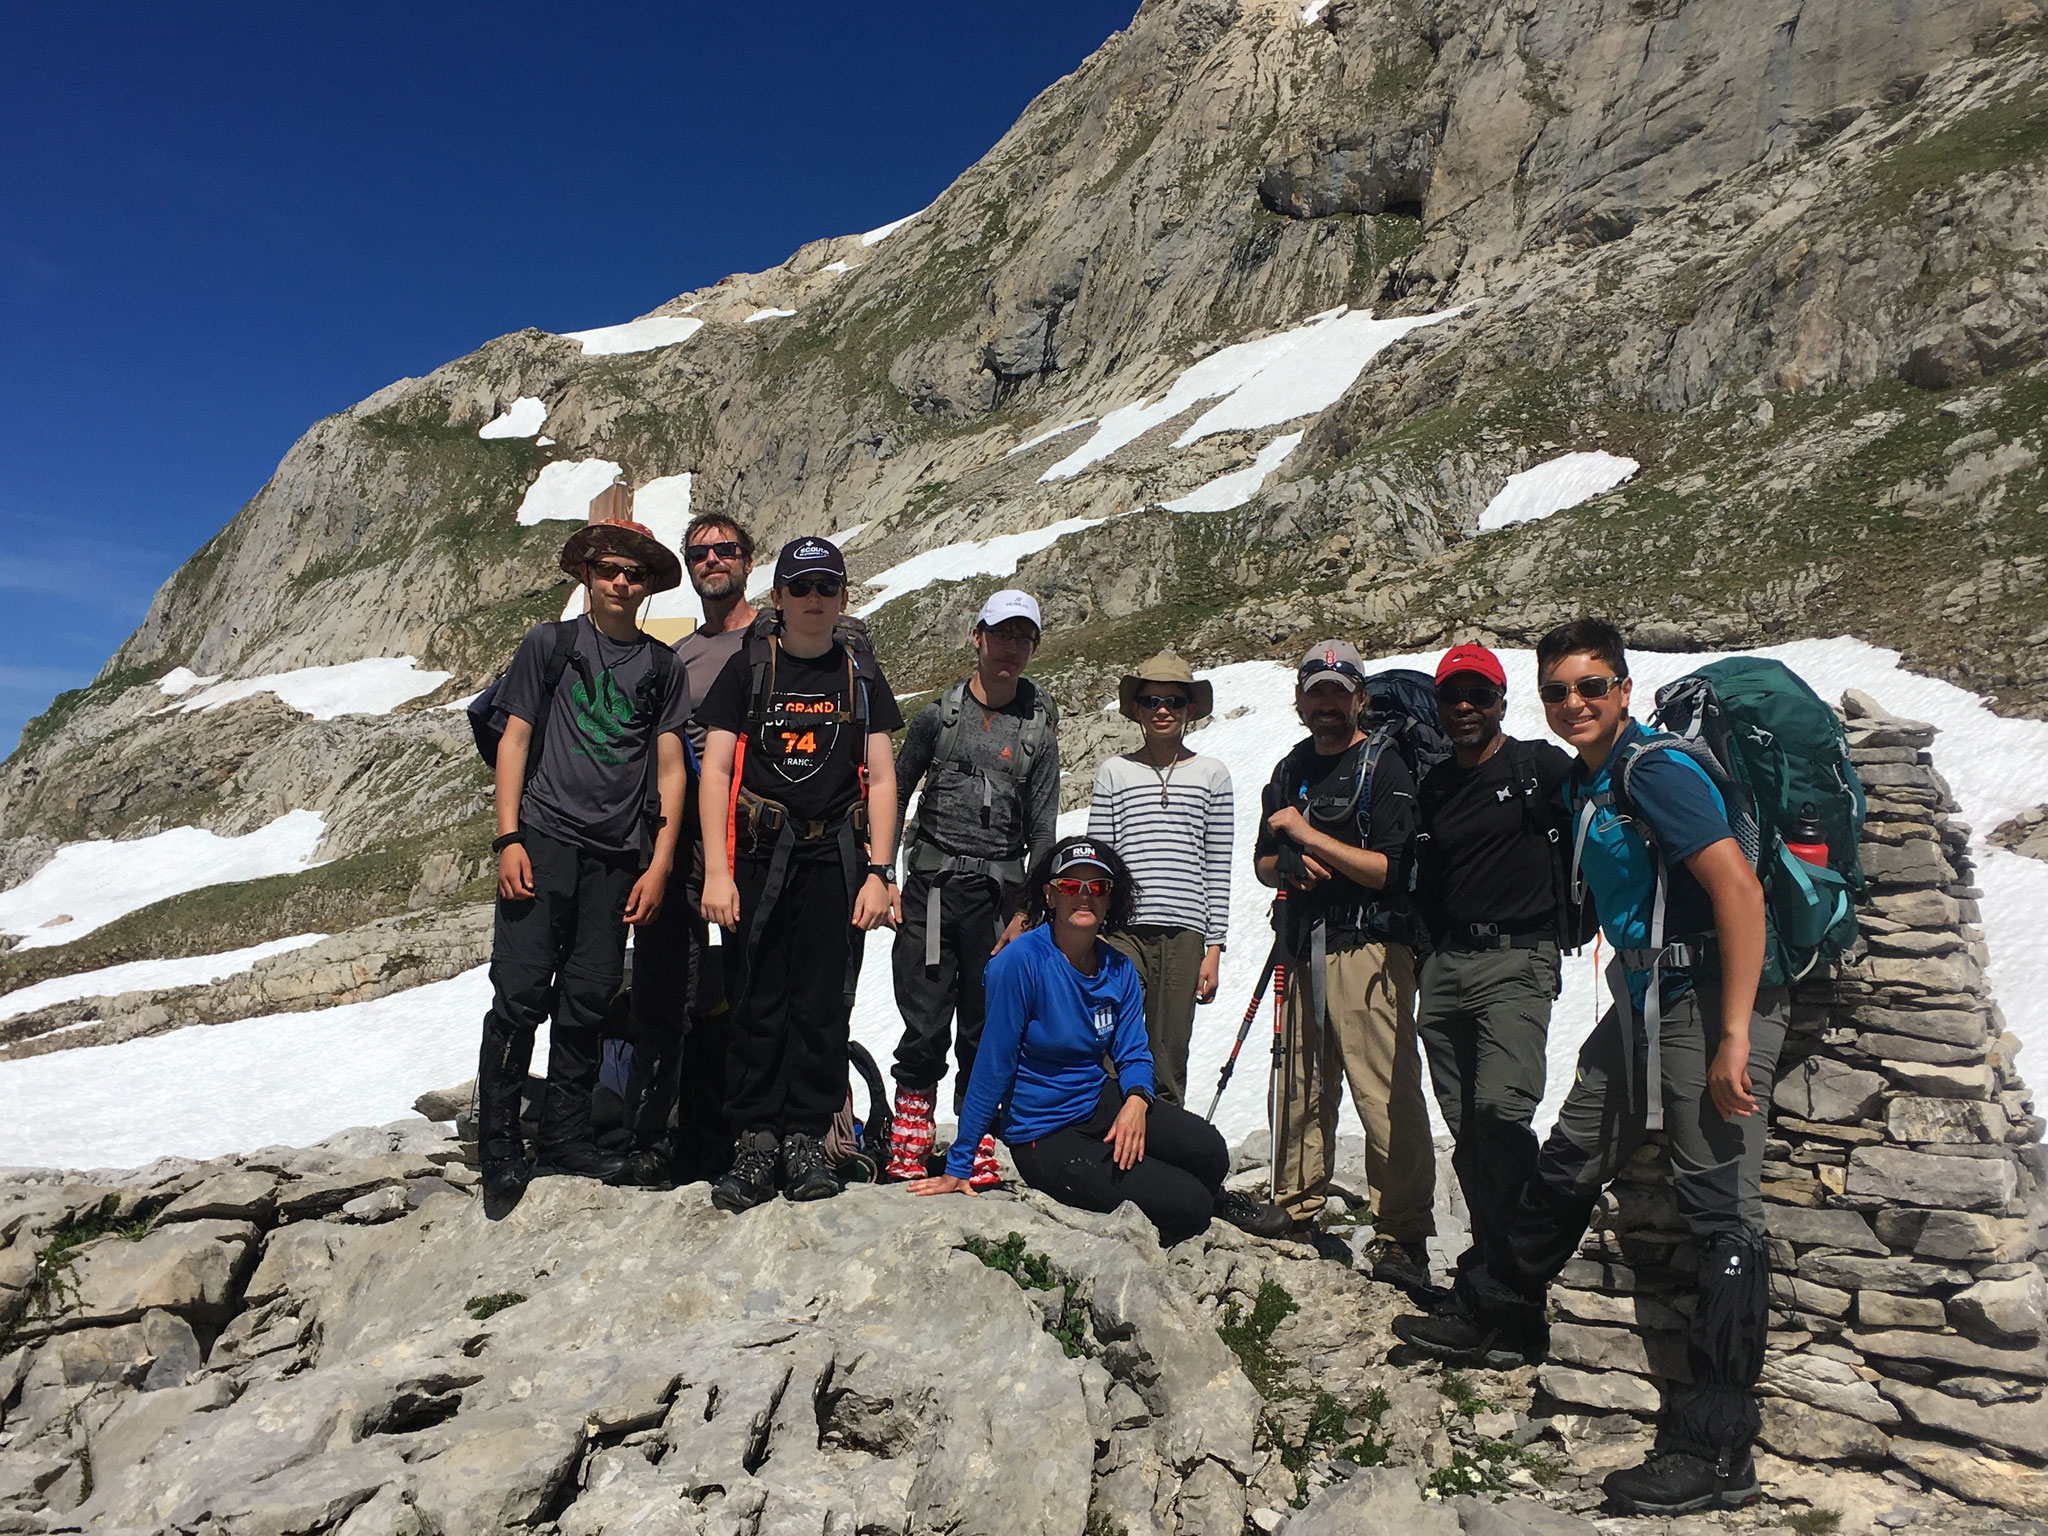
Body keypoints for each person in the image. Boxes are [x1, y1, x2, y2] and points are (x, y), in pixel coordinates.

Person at [1395, 618, 1781, 1518]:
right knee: (1570, 1153)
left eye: (1591, 687)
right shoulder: (1587, 781)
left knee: (1721, 1205)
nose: (1575, 703)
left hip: (1702, 996)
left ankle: (1717, 1445)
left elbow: (1738, 890)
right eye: (1560, 690)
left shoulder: (1653, 773)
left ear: (1624, 690)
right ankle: (1498, 1307)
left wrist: (1732, 1036)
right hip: (1642, 999)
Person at [477, 521, 692, 1200]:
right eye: (609, 571)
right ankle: (500, 1144)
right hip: (542, 841)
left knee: (588, 1000)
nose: (621, 583)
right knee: (518, 994)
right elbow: (513, 740)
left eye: (633, 574)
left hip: (617, 858)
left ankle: (566, 1138)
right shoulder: (550, 644)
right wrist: (509, 839)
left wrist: (658, 865)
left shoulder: (664, 669)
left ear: (649, 584)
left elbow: (671, 770)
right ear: (587, 577)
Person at [696, 535, 902, 1212]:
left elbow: (881, 778)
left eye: (827, 588)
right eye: (801, 588)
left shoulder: (860, 674)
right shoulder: (749, 667)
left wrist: (880, 871)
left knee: (821, 1002)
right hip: (759, 859)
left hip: (836, 863)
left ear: (842, 597)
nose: (814, 600)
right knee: (758, 998)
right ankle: (755, 1142)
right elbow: (718, 770)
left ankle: (807, 1139)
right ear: (778, 597)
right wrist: (718, 874)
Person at [907, 838, 1244, 1247]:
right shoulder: (1019, 964)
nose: (1083, 897)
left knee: (1209, 1150)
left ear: (1109, 899)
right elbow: (993, 1065)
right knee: (1187, 1204)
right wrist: (959, 1162)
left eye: (1097, 888)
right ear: (1049, 894)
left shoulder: (1117, 969)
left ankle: (1215, 1202)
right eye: (1070, 887)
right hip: (1043, 1134)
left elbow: (1134, 1051)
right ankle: (1201, 1209)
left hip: (1097, 1101)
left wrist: (1136, 1101)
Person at [1249, 640, 1434, 1286]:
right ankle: (1295, 1206)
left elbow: (1390, 869)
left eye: (1338, 691)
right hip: (1303, 943)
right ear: (1301, 700)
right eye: (1315, 692)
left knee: (1382, 1090)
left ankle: (1403, 1235)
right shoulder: (1289, 767)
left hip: (1371, 947)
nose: (1326, 704)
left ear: (1360, 697)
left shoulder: (1384, 766)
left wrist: (1306, 837)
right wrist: (1285, 864)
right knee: (1297, 1080)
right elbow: (1262, 860)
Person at [1411, 643, 1576, 1314]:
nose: (1466, 707)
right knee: (1468, 1130)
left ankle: (1522, 1284)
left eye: (1479, 695)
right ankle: (1490, 1267)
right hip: (1448, 967)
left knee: (1500, 1114)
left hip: (1519, 959)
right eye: (1453, 697)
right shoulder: (1435, 785)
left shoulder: (1539, 766)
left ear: (1502, 701)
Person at [885, 589, 1060, 1185]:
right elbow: (897, 790)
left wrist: (1029, 912)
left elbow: (1042, 827)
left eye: (1023, 638)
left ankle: (975, 1137)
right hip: (931, 893)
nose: (1011, 648)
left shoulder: (1038, 731)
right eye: (1002, 634)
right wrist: (882, 872)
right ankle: (910, 1135)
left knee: (985, 1024)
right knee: (925, 1015)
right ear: (978, 637)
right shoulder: (940, 716)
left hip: (999, 903)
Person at [619, 512, 759, 1189]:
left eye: (725, 550)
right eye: (699, 553)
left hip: (757, 836)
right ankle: (663, 1135)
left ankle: (749, 1129)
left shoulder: (778, 637)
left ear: (748, 563)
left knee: (754, 983)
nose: (712, 561)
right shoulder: (680, 655)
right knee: (667, 984)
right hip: (681, 833)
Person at [1085, 652, 1232, 1104]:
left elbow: (1218, 864)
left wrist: (1214, 948)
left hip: (1186, 931)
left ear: (1190, 708)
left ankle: (1163, 1144)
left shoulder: (1214, 774)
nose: (1162, 710)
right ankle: (1109, 1133)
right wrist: (1096, 931)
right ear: (1136, 709)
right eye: (1151, 701)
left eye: (1174, 700)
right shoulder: (1114, 771)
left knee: (1170, 1048)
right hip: (1122, 930)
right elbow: (1099, 859)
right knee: (1115, 1037)